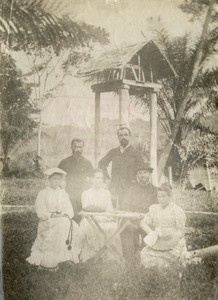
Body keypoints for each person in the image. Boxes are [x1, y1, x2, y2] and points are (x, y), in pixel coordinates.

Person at [26, 168, 81, 271]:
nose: (57, 182)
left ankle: (67, 256)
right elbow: (41, 211)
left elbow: (70, 210)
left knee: (75, 227)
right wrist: (51, 215)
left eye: (59, 179)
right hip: (48, 221)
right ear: (49, 180)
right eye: (55, 179)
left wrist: (64, 214)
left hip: (62, 219)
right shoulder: (43, 193)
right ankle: (52, 259)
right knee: (61, 226)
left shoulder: (64, 193)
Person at [140, 184, 188, 269]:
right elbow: (142, 222)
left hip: (174, 241)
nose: (161, 199)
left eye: (164, 196)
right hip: (159, 240)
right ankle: (153, 273)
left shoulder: (176, 210)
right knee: (144, 252)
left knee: (172, 257)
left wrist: (172, 235)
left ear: (169, 196)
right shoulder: (154, 208)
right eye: (159, 196)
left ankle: (167, 272)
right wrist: (151, 233)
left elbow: (182, 231)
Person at [79, 169, 122, 263]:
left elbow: (109, 209)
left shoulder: (106, 193)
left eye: (101, 178)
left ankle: (107, 255)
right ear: (91, 179)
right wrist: (98, 216)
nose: (99, 180)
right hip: (90, 219)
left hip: (104, 218)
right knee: (89, 227)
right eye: (97, 178)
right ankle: (92, 255)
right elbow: (86, 209)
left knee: (113, 226)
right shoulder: (86, 193)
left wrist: (111, 216)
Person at [98, 127, 144, 209]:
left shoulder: (136, 153)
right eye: (121, 135)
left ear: (130, 136)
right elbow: (101, 163)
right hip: (114, 187)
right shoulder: (113, 152)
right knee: (113, 209)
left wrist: (136, 182)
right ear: (118, 137)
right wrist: (107, 177)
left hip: (130, 187)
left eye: (126, 135)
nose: (123, 137)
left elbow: (142, 170)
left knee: (127, 210)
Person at [121, 162, 157, 261]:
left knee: (152, 230)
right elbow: (125, 205)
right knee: (126, 228)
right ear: (137, 175)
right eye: (140, 173)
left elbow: (158, 208)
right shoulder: (132, 189)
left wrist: (147, 216)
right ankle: (129, 258)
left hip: (149, 221)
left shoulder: (155, 191)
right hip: (133, 220)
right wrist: (134, 215)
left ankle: (146, 256)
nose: (143, 175)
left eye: (145, 172)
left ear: (149, 174)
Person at [58, 138, 93, 222]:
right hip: (70, 194)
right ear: (71, 147)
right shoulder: (64, 162)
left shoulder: (87, 163)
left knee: (83, 219)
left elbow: (92, 179)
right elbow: (57, 178)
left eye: (80, 147)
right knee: (71, 218)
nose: (78, 149)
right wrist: (63, 192)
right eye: (75, 146)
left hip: (83, 195)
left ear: (83, 148)